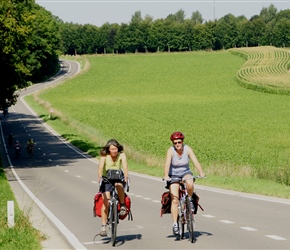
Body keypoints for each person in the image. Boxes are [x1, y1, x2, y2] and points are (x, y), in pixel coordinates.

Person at [163, 131, 205, 235]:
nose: (177, 144)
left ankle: (189, 200)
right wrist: (166, 175)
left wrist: (201, 172)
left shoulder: (187, 149)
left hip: (186, 173)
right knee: (175, 199)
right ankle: (175, 224)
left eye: (179, 142)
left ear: (182, 141)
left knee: (190, 183)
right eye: (175, 142)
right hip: (174, 175)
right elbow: (167, 164)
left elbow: (195, 161)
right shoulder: (171, 151)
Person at [98, 139, 129, 237]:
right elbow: (100, 167)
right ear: (108, 149)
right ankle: (103, 226)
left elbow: (125, 166)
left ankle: (122, 205)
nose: (114, 151)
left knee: (119, 186)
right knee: (106, 202)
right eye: (112, 149)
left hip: (118, 177)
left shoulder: (122, 155)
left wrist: (126, 177)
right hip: (106, 179)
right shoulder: (104, 156)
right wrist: (99, 177)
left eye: (115, 149)